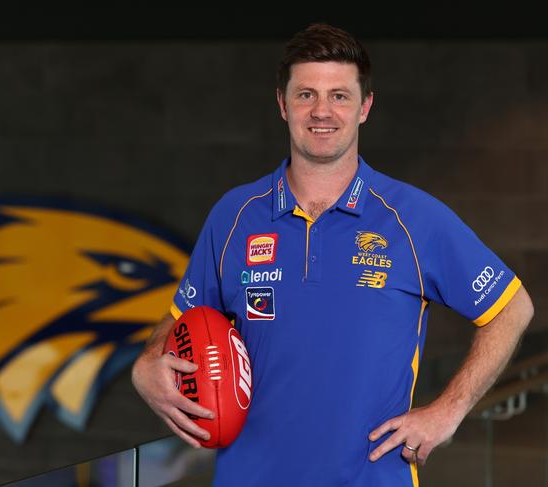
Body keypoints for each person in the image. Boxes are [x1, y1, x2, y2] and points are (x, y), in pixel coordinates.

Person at [132, 23, 534, 486]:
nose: (322, 110)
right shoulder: (233, 215)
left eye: (339, 96)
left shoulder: (414, 218)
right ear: (283, 105)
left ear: (365, 107)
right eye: (306, 95)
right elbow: (182, 318)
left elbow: (511, 308)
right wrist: (147, 363)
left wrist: (449, 410)